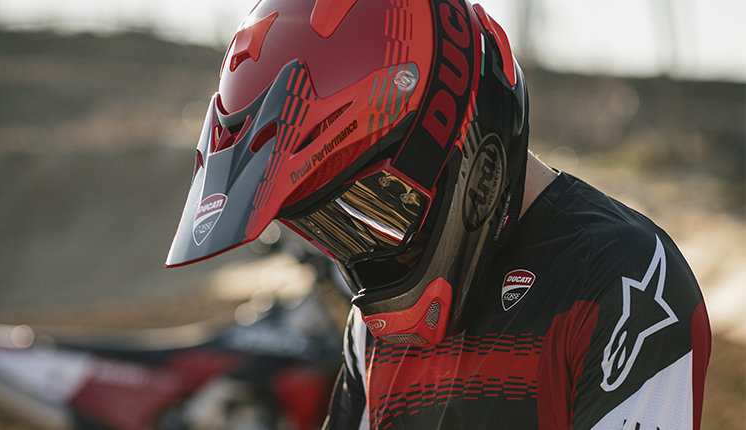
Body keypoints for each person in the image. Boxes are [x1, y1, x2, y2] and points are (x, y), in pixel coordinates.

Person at [166, 0, 711, 428]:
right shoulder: (372, 330)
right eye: (331, 230)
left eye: (372, 207)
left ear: (463, 150)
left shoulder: (622, 282)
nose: (362, 249)